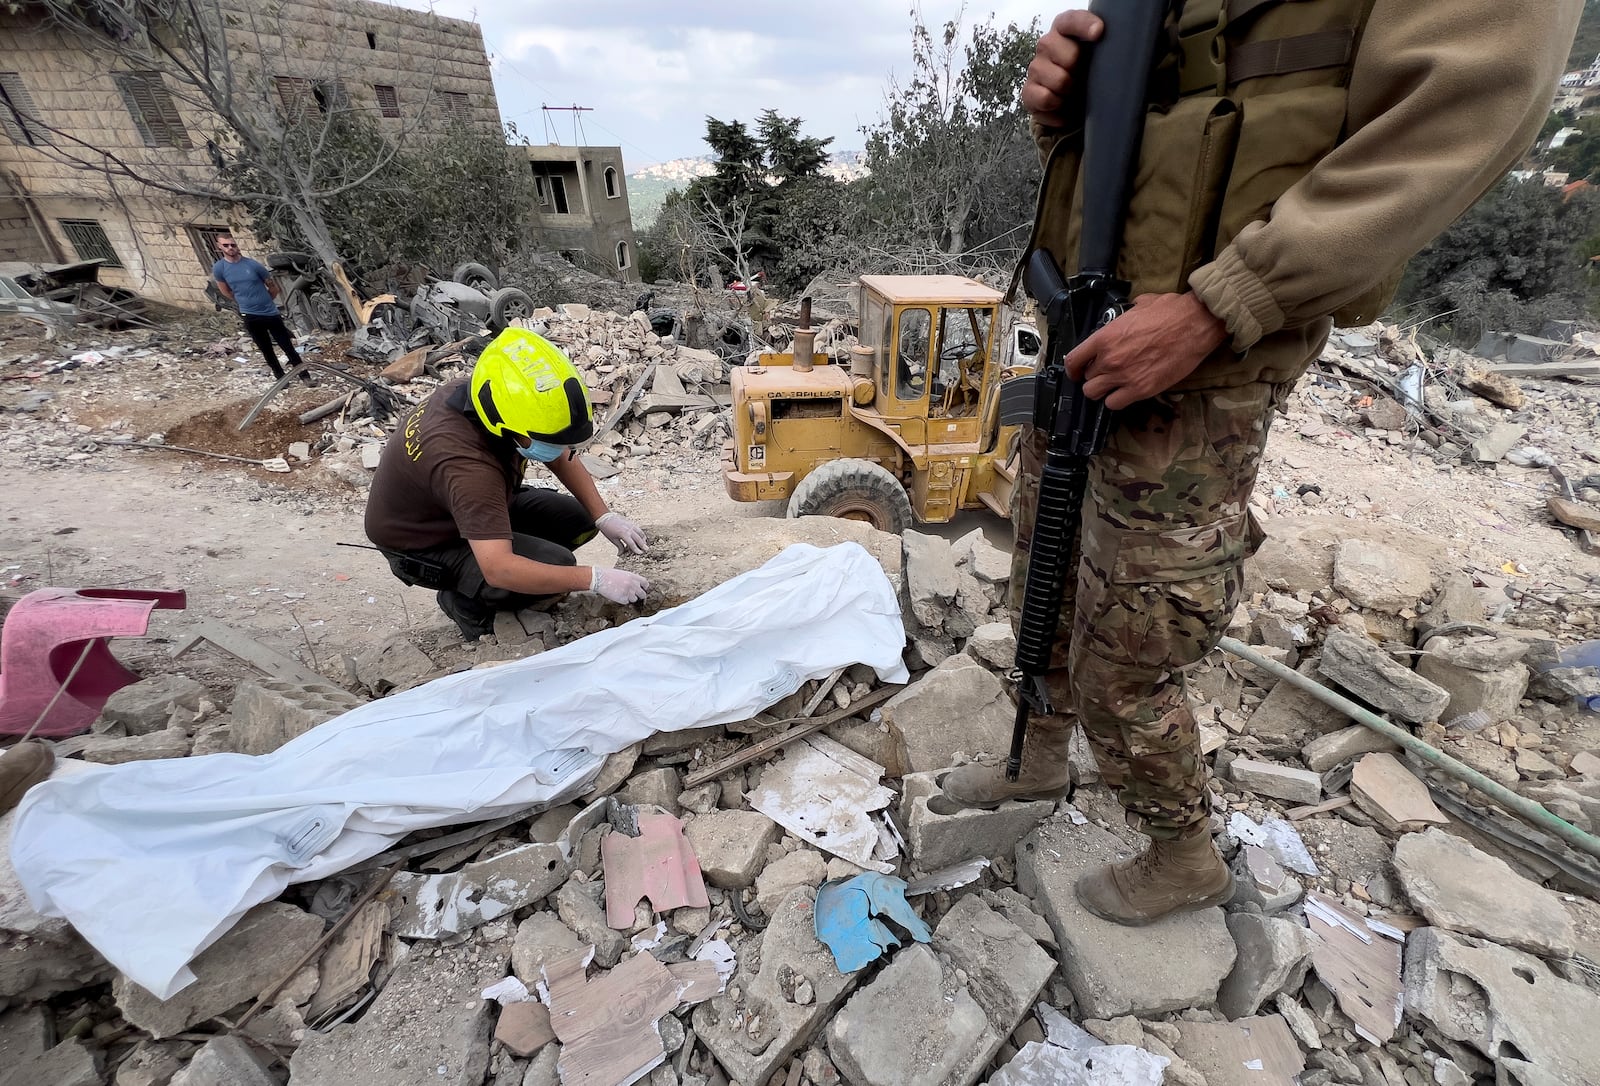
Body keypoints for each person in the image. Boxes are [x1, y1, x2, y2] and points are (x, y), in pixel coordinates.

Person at [940, 0, 1581, 925]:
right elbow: (1171, 137)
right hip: (1088, 336)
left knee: (1131, 651)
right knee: (1043, 581)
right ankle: (1034, 756)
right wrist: (1064, 120)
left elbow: (1460, 113)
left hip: (1203, 367)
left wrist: (1221, 302)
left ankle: (1182, 855)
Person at [364, 327, 650, 640]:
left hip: (461, 506)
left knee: (579, 520)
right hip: (425, 543)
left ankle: (518, 571)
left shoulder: (492, 397)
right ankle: (469, 603)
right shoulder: (467, 467)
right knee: (557, 563)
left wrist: (603, 515)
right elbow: (499, 567)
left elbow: (555, 450)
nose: (559, 450)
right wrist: (593, 579)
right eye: (547, 441)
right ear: (507, 427)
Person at [211, 233, 311, 385]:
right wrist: (244, 302)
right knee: (266, 349)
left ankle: (304, 375)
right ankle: (281, 378)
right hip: (250, 315)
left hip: (270, 312)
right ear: (219, 247)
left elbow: (273, 287)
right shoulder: (219, 268)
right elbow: (226, 291)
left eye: (233, 244)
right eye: (226, 245)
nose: (230, 248)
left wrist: (265, 301)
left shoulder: (252, 265)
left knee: (287, 345)